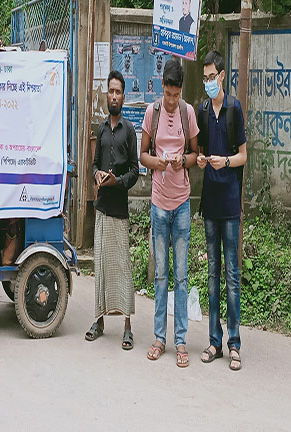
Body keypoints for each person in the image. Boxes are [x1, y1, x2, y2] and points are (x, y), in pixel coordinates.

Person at [141, 59, 199, 368]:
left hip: (182, 203)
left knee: (182, 274)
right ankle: (159, 338)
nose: (172, 100)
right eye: (168, 94)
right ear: (162, 86)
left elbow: (195, 154)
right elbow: (143, 155)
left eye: (176, 95)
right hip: (159, 203)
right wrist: (159, 163)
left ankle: (180, 341)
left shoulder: (188, 114)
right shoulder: (152, 113)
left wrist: (181, 162)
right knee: (161, 274)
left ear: (181, 91)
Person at [196, 50, 247, 371]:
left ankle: (234, 343)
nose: (208, 82)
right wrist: (202, 160)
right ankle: (214, 341)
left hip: (230, 201)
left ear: (223, 75)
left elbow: (243, 155)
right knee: (212, 274)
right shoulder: (202, 110)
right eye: (204, 78)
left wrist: (225, 161)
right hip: (209, 201)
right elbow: (199, 151)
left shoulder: (234, 109)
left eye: (212, 77)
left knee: (232, 274)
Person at [85, 71, 140, 350]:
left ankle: (127, 325)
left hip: (119, 210)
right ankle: (99, 320)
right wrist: (96, 176)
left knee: (122, 268)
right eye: (111, 92)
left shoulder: (129, 130)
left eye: (118, 92)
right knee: (101, 267)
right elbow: (94, 163)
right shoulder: (102, 129)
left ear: (123, 97)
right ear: (107, 95)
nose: (114, 96)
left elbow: (135, 171)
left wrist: (117, 181)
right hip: (101, 208)